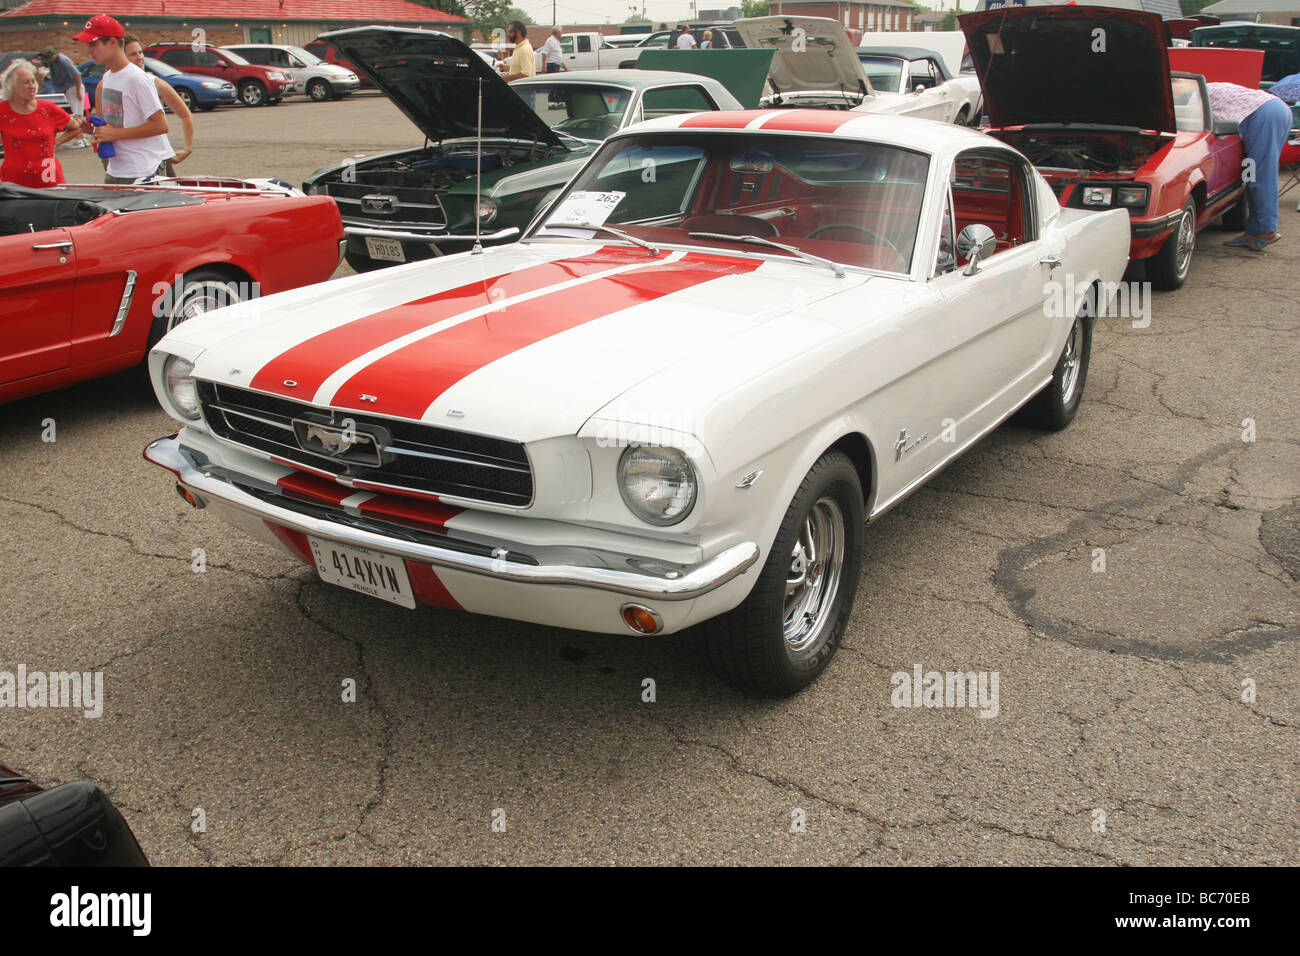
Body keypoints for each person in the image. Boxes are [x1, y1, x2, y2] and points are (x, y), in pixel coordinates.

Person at [75, 13, 172, 184]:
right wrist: (95, 131)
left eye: (93, 44)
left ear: (112, 42)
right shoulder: (107, 78)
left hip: (143, 172)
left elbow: (160, 125)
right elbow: (116, 124)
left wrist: (115, 134)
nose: (89, 50)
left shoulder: (137, 78)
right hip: (117, 170)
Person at [1208, 81, 1292, 251]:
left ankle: (1267, 229)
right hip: (1272, 110)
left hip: (1263, 116)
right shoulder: (1203, 87)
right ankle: (1253, 233)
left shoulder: (1192, 99)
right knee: (1252, 175)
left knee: (1259, 176)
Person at [0, 59, 82, 187]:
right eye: (25, 82)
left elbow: (76, 127)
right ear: (11, 86)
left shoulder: (48, 109)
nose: (32, 86)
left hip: (48, 179)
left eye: (33, 81)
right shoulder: (2, 111)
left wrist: (56, 142)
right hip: (14, 181)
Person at [123, 35, 191, 166]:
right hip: (125, 161)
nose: (139, 57)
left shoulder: (153, 82)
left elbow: (185, 114)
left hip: (155, 159)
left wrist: (187, 148)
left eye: (140, 52)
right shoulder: (108, 82)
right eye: (133, 54)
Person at [37, 46, 90, 148]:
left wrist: (79, 91)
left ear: (54, 55)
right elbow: (43, 64)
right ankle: (82, 139)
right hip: (66, 89)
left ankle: (80, 140)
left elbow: (77, 75)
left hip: (73, 88)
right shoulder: (52, 62)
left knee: (76, 115)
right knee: (75, 114)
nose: (49, 61)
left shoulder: (64, 61)